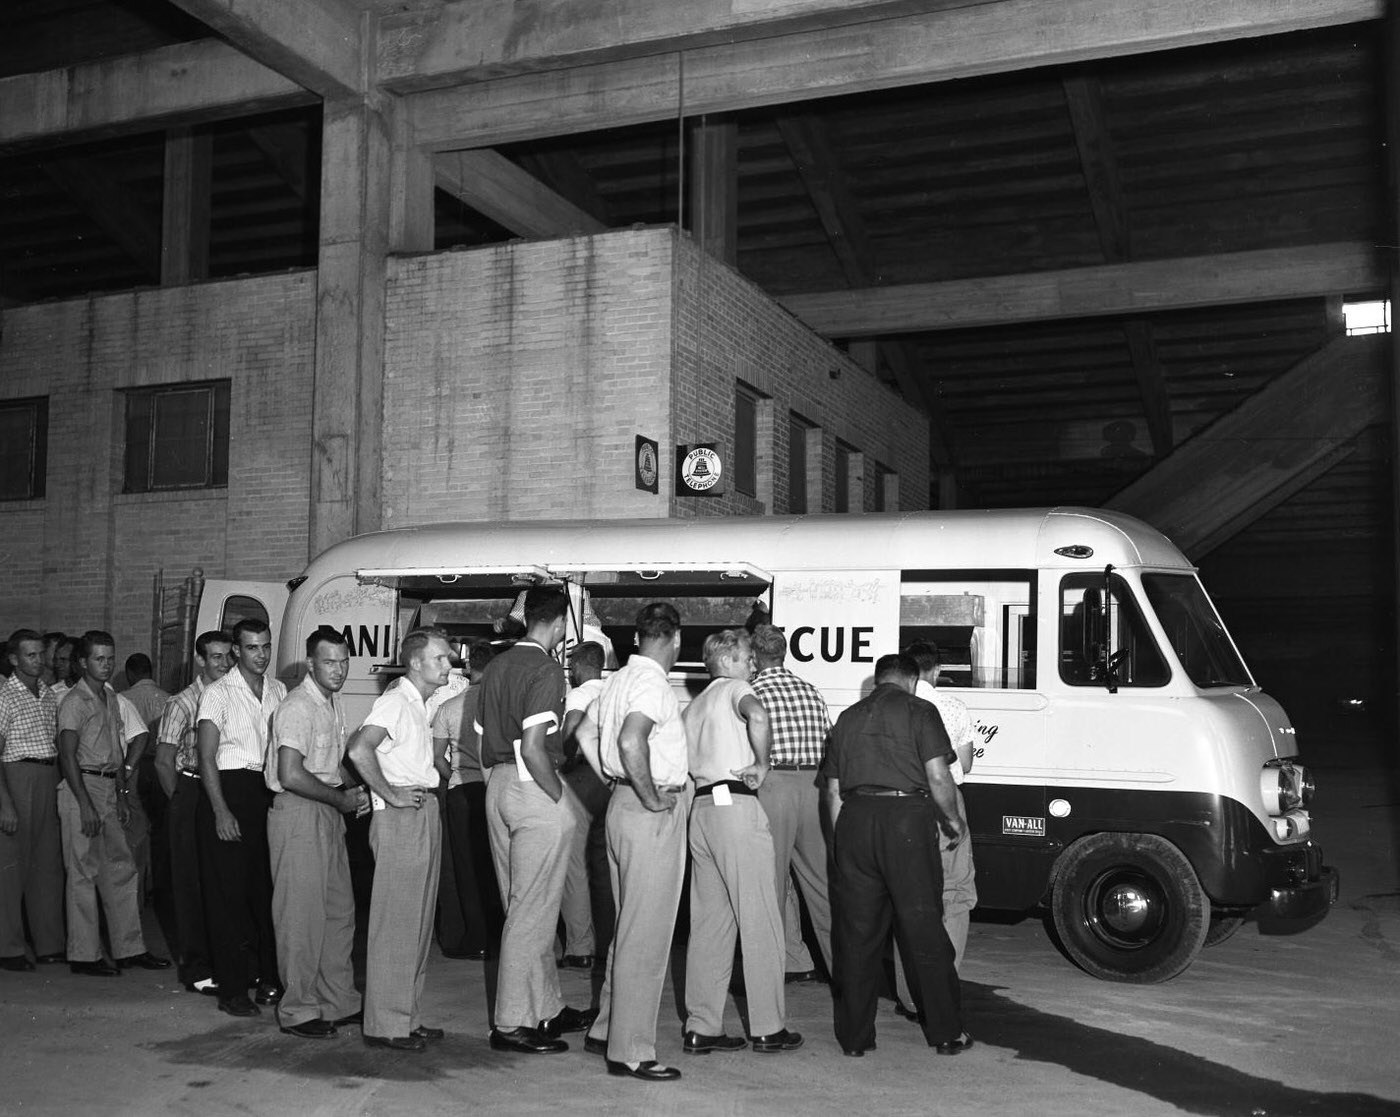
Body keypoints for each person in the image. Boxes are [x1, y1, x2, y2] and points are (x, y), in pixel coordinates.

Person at [822, 652, 971, 1058]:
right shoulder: (921, 711)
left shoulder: (848, 717)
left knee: (856, 935)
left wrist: (842, 843)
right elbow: (939, 775)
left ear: (877, 680)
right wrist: (952, 820)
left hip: (855, 820)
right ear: (910, 680)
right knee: (923, 928)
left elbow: (833, 792)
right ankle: (946, 1033)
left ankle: (855, 1039)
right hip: (906, 819)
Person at [478, 588, 594, 1054]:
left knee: (525, 907)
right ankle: (510, 1023)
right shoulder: (546, 668)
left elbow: (485, 743)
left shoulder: (497, 665)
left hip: (498, 785)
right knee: (532, 913)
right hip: (532, 784)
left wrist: (504, 792)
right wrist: (557, 799)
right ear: (560, 625)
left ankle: (546, 1008)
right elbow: (532, 747)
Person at [581, 603, 692, 1083]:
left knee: (627, 925)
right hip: (648, 811)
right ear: (675, 639)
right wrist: (648, 794)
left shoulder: (618, 679)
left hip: (620, 806)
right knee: (646, 934)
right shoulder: (652, 684)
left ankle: (607, 1028)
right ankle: (630, 1051)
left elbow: (584, 732)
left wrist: (617, 785)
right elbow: (631, 742)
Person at [682, 628, 800, 1055]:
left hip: (701, 811)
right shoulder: (737, 689)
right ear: (729, 660)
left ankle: (702, 1025)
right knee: (762, 918)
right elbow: (759, 716)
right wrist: (763, 764)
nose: (754, 663)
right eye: (749, 656)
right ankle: (768, 1027)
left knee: (710, 925)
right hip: (735, 806)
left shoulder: (693, 706)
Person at [347, 628, 452, 1053]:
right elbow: (358, 750)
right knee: (397, 923)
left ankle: (406, 1016)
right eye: (441, 658)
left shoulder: (418, 705)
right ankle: (386, 1024)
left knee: (419, 922)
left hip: (422, 812)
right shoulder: (394, 702)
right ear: (416, 662)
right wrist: (388, 794)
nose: (448, 665)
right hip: (400, 817)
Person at [267, 626, 367, 1040]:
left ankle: (338, 1001)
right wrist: (341, 799)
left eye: (344, 661)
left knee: (338, 912)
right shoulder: (297, 706)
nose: (339, 669)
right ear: (311, 663)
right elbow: (290, 774)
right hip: (300, 813)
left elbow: (332, 762)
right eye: (330, 662)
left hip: (327, 810)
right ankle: (298, 1009)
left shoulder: (332, 703)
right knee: (301, 917)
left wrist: (361, 787)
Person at [56, 631, 169, 976]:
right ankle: (84, 955)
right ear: (82, 662)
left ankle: (128, 948)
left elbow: (116, 752)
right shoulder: (75, 701)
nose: (106, 665)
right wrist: (85, 804)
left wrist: (119, 794)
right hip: (82, 788)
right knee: (83, 873)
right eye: (98, 659)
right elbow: (67, 755)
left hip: (108, 786)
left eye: (110, 658)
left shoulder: (110, 697)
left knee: (121, 868)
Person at [196, 617, 286, 1016]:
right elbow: (206, 756)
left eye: (265, 646)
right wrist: (220, 810)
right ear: (237, 650)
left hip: (266, 792)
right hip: (229, 793)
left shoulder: (279, 690)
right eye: (252, 648)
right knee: (228, 897)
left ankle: (270, 979)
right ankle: (232, 990)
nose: (261, 655)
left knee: (266, 893)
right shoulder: (217, 693)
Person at [749, 623, 834, 982]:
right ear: (784, 654)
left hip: (775, 786)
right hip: (815, 786)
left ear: (754, 657)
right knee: (821, 883)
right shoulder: (810, 690)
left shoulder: (751, 693)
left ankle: (775, 966)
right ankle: (841, 967)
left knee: (771, 880)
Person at [896, 640, 977, 1002]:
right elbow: (966, 766)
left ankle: (909, 995)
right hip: (946, 801)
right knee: (954, 893)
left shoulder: (897, 709)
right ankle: (943, 985)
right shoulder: (954, 707)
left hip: (905, 802)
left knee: (908, 892)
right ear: (937, 670)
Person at [154, 630, 233, 994]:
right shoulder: (183, 703)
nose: (224, 663)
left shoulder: (232, 695)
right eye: (216, 657)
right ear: (200, 660)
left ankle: (224, 960)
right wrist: (181, 804)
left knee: (218, 881)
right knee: (189, 883)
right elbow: (164, 762)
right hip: (190, 788)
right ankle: (197, 970)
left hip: (222, 789)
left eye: (228, 656)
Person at [432, 640, 504, 961]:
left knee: (466, 867)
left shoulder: (449, 707)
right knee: (496, 865)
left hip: (461, 790)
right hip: (495, 790)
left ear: (469, 668)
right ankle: (500, 935)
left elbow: (437, 758)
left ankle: (476, 938)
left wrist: (454, 776)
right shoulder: (499, 705)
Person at [0, 629, 66, 971]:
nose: (39, 661)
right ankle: (8, 948)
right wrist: (5, 802)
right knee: (11, 868)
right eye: (30, 655)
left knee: (47, 865)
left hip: (47, 775)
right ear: (14, 659)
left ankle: (48, 943)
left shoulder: (47, 694)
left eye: (41, 654)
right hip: (16, 776)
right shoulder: (4, 696)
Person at [557, 640, 612, 971]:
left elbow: (571, 737)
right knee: (604, 865)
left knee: (574, 865)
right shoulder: (613, 691)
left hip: (581, 779)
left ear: (577, 667)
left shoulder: (578, 695)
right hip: (610, 781)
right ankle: (607, 941)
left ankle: (580, 946)